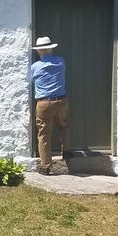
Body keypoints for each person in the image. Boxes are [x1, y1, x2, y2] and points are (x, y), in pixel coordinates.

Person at [28, 36, 68, 174]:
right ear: (51, 49)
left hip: (44, 103)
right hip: (62, 101)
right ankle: (68, 155)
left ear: (39, 52)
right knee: (64, 126)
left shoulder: (34, 67)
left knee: (44, 134)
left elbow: (31, 81)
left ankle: (46, 166)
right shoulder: (61, 62)